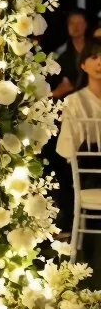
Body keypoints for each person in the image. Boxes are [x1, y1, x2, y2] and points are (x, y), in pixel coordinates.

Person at [53, 38, 101, 231]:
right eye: (94, 57)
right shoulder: (73, 101)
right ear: (83, 64)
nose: (99, 63)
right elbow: (67, 150)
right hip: (90, 172)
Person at [51, 8, 90, 99]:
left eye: (79, 23)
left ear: (85, 25)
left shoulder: (94, 50)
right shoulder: (60, 52)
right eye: (72, 23)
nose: (75, 27)